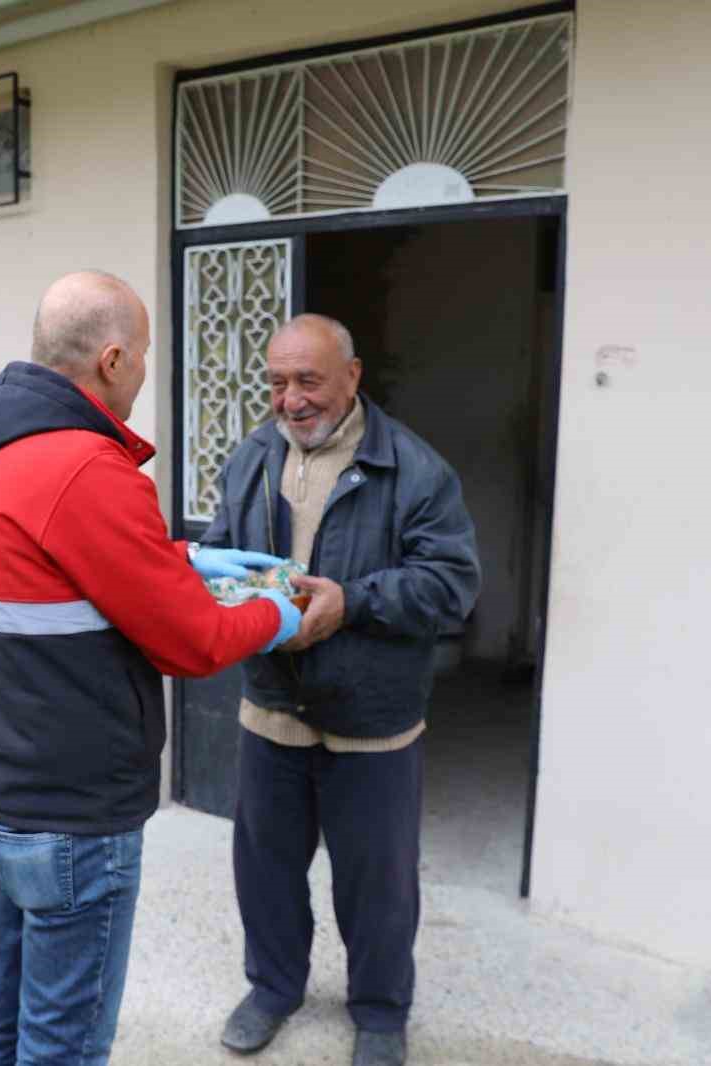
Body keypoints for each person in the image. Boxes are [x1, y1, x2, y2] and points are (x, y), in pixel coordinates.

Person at [0, 270, 300, 1066]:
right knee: (63, 1047)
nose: (143, 372)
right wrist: (281, 613)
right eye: (141, 356)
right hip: (70, 818)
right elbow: (192, 642)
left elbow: (53, 572)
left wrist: (186, 557)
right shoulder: (84, 470)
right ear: (110, 359)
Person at [203, 314, 480, 1066]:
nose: (291, 400)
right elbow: (228, 549)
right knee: (264, 868)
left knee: (378, 883)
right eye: (277, 382)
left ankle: (382, 1013)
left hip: (373, 720)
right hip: (272, 706)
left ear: (352, 377)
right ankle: (273, 989)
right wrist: (222, 586)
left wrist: (349, 603)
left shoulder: (414, 469)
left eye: (308, 380)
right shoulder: (253, 457)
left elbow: (451, 586)